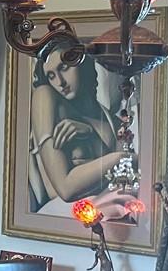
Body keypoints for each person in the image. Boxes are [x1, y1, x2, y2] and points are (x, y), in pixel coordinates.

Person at [27, 47, 139, 220]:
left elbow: (123, 181)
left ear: (82, 64)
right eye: (51, 76)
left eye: (64, 68)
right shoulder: (45, 97)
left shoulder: (112, 121)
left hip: (105, 218)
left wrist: (90, 133)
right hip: (63, 217)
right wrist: (121, 158)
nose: (60, 82)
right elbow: (65, 189)